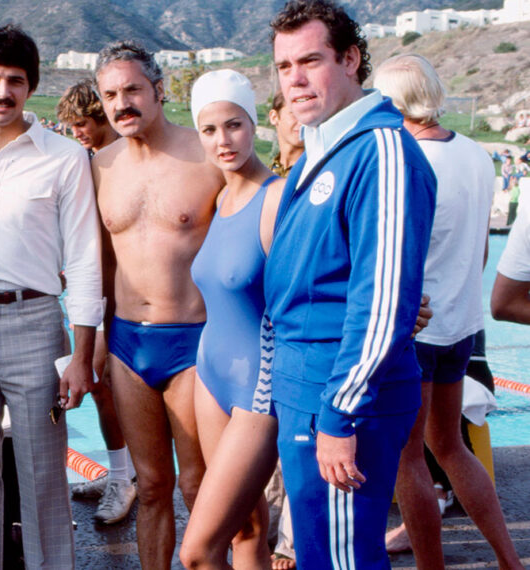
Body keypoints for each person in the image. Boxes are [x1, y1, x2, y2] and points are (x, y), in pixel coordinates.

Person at [266, 1, 436, 567]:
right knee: (321, 555)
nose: (295, 78)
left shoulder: (380, 151)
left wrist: (340, 413)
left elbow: (382, 300)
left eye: (310, 60)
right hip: (307, 393)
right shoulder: (324, 149)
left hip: (340, 402)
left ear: (350, 59)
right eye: (284, 65)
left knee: (344, 560)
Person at [0, 24, 102, 568]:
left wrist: (80, 354)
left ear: (31, 87)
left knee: (43, 477)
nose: (2, 91)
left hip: (35, 324)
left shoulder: (64, 158)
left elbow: (82, 259)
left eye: (15, 80)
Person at [372, 53, 524, 570]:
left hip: (415, 330)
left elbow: (396, 258)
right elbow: (481, 250)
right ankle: (509, 559)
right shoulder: (477, 155)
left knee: (407, 456)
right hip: (462, 325)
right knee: (450, 445)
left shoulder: (406, 162)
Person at [92, 40, 224, 569]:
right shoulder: (99, 166)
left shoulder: (207, 155)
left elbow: (267, 225)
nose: (121, 103)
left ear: (158, 90)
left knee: (198, 483)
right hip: (126, 340)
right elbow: (100, 265)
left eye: (132, 90)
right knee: (150, 486)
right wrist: (96, 341)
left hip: (193, 340)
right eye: (110, 95)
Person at [178, 69, 283, 570]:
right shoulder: (220, 198)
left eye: (234, 125)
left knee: (197, 552)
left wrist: (396, 307)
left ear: (254, 124)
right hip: (211, 372)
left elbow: (326, 278)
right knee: (247, 528)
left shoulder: (278, 198)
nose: (223, 140)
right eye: (210, 129)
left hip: (258, 383)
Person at [55, 77, 135, 525]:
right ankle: (121, 472)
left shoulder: (121, 161)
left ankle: (125, 477)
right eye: (71, 126)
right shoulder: (88, 162)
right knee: (101, 386)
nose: (76, 132)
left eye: (82, 123)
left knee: (102, 385)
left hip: (122, 295)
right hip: (91, 291)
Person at [264, 90, 303, 570]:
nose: (299, 119)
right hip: (260, 331)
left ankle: (290, 544)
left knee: (296, 438)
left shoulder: (321, 174)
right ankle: (275, 533)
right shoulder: (262, 179)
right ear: (273, 117)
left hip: (301, 331)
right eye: (289, 110)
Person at [56, 78, 120, 154]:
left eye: (81, 125)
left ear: (100, 114)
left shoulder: (132, 151)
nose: (75, 134)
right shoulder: (80, 158)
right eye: (71, 127)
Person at [267, 92, 303, 178]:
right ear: (274, 117)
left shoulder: (317, 175)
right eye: (295, 114)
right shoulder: (263, 178)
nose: (302, 123)